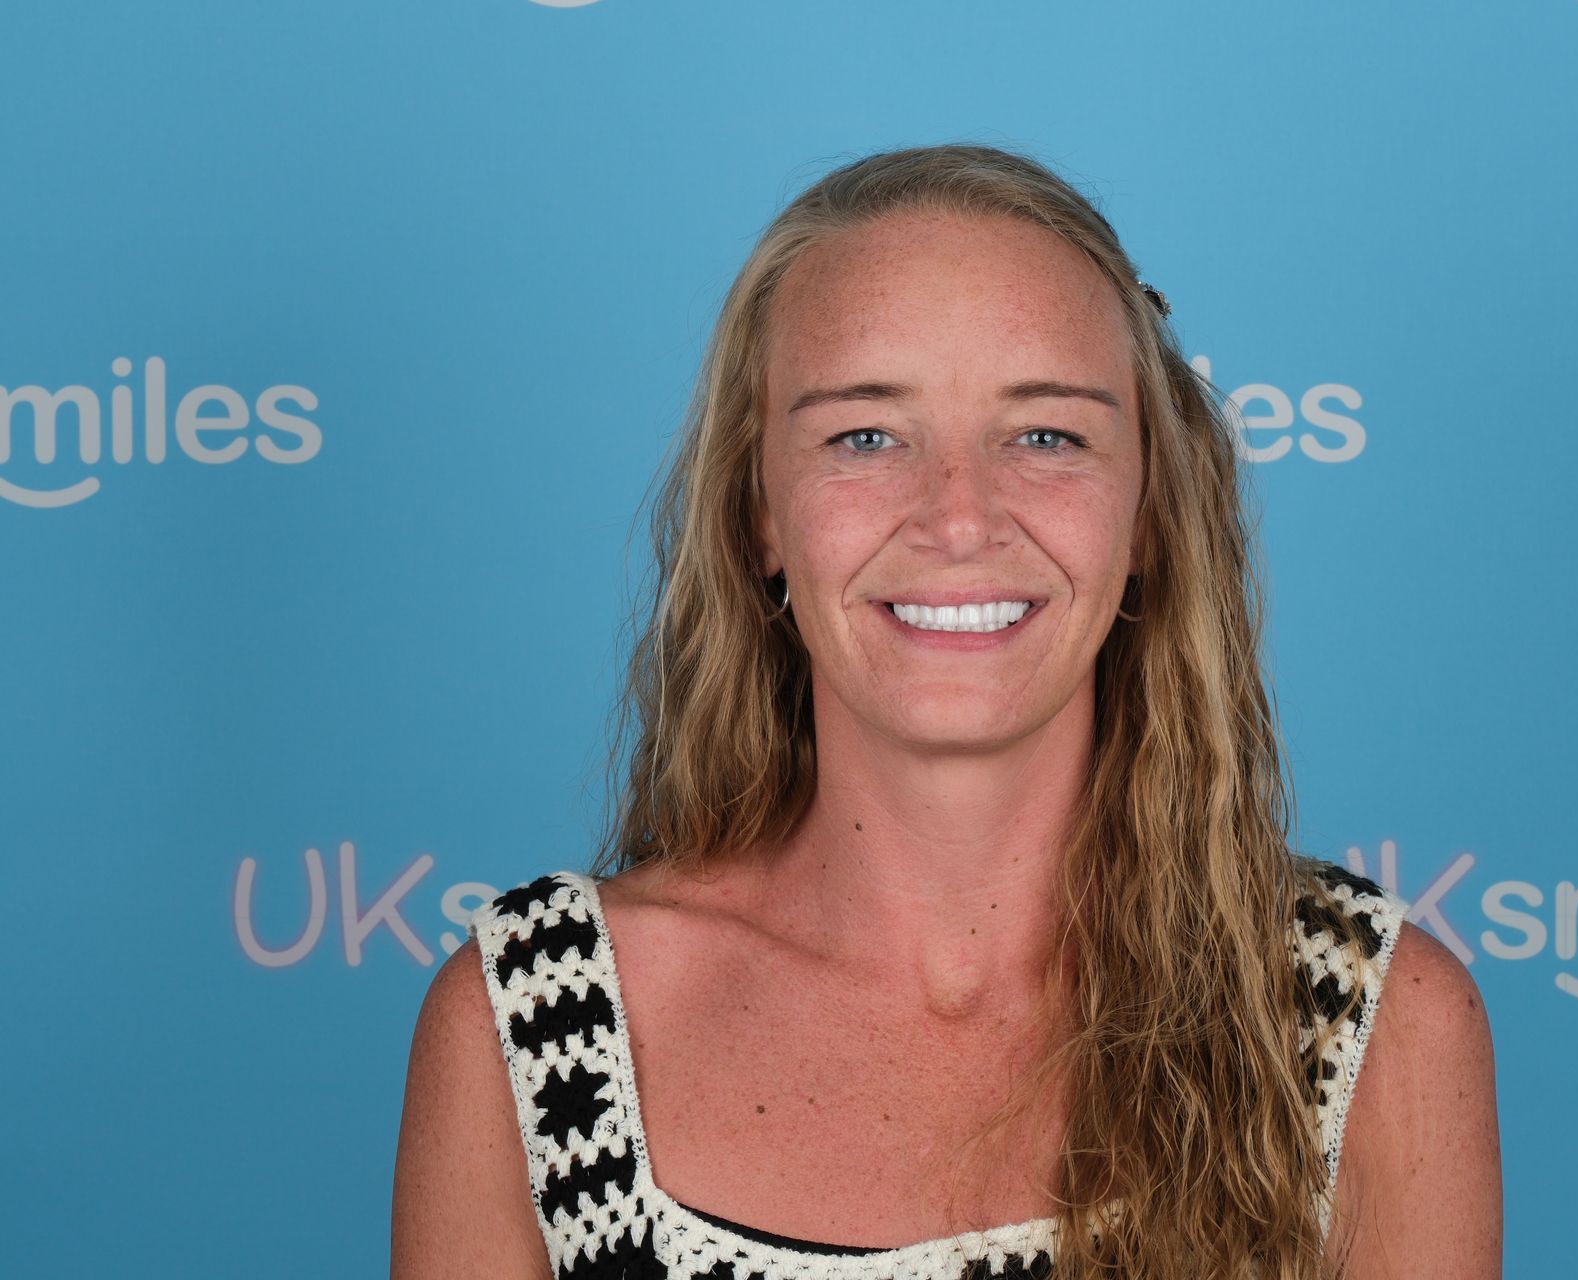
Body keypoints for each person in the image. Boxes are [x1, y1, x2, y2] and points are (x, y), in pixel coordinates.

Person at [391, 142, 1500, 1280]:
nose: (960, 518)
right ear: (761, 510)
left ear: (1150, 514)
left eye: (1046, 434)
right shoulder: (531, 1019)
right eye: (865, 436)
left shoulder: (1369, 1018)